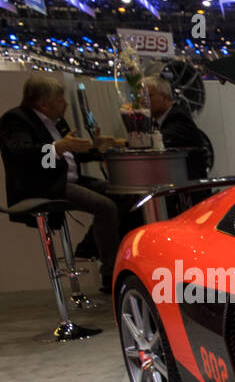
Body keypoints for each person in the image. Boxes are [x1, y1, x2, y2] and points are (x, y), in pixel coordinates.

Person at [0, 73, 123, 292]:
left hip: (72, 179)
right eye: (59, 99)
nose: (65, 104)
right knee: (105, 206)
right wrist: (58, 147)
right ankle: (110, 273)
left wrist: (96, 149)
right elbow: (22, 155)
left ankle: (90, 247)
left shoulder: (58, 121)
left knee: (124, 193)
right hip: (44, 185)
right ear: (42, 103)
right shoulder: (16, 119)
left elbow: (70, 152)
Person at [142, 76, 212, 180]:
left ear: (164, 97)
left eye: (149, 96)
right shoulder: (157, 121)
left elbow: (161, 139)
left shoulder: (178, 117)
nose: (143, 101)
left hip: (189, 188)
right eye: (142, 97)